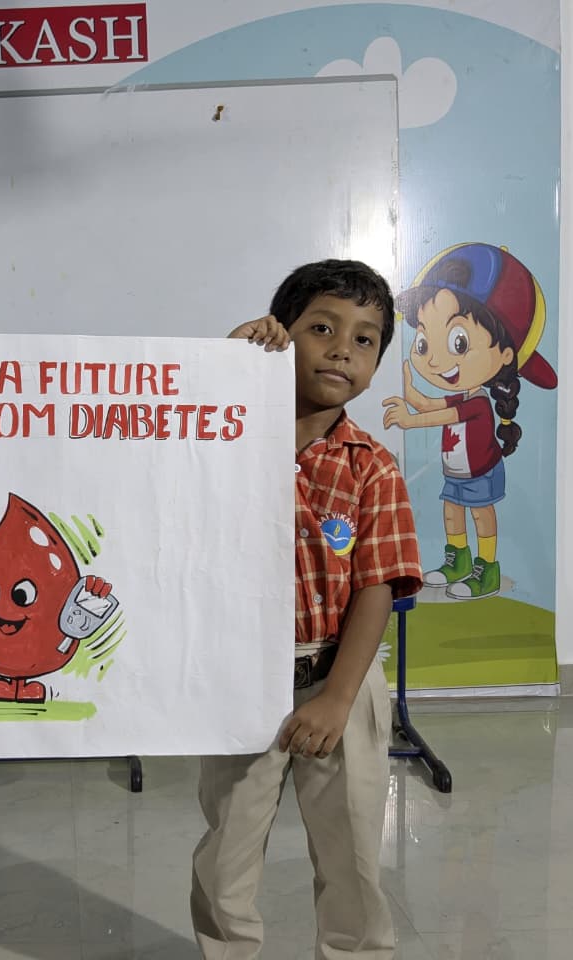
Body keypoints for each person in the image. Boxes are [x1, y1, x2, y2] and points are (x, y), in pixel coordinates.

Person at [192, 260, 423, 959]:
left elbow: (377, 587)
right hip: (242, 680)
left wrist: (338, 699)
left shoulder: (371, 467)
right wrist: (226, 373)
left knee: (353, 860)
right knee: (226, 858)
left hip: (340, 678)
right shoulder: (224, 440)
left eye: (364, 340)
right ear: (281, 334)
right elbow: (170, 467)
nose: (341, 350)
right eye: (321, 329)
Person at [382, 242, 557, 600]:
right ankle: (457, 560)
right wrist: (408, 389)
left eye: (458, 342)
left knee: (480, 514)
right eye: (423, 341)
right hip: (456, 470)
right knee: (452, 511)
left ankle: (487, 568)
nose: (433, 360)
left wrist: (409, 421)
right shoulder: (461, 395)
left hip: (480, 471)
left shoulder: (477, 402)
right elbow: (428, 403)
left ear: (505, 355)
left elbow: (442, 415)